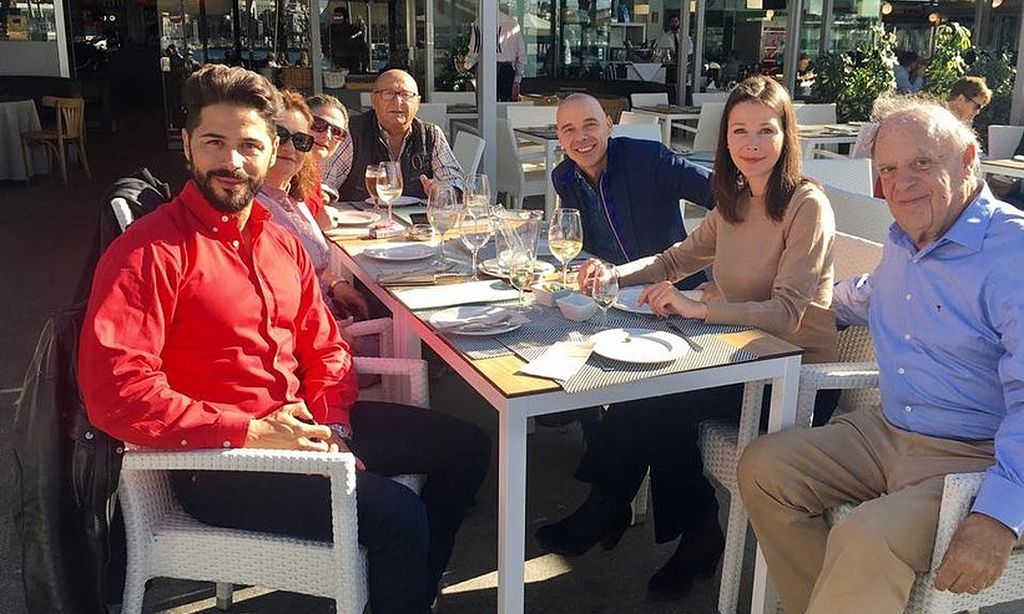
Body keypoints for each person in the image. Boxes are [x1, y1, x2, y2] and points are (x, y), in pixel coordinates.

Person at [77, 64, 490, 614]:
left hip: (305, 427)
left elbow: (324, 347)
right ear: (187, 145)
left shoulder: (280, 242)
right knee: (398, 517)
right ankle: (402, 579)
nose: (232, 162)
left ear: (273, 151)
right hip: (222, 462)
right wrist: (247, 428)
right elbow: (116, 393)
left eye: (249, 145)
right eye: (214, 143)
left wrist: (334, 426)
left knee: (468, 447)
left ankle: (406, 590)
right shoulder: (147, 252)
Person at [535, 77, 841, 600]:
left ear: (787, 136)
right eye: (739, 131)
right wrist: (614, 277)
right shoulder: (736, 199)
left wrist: (699, 307)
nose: (750, 143)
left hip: (795, 374)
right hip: (738, 352)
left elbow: (789, 313)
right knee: (651, 391)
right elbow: (677, 259)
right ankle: (677, 526)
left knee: (659, 401)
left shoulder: (806, 206)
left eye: (765, 131)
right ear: (725, 141)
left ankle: (620, 512)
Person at [737, 97, 1024, 614]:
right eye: (888, 169)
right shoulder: (907, 238)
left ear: (967, 158)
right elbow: (864, 294)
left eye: (922, 163)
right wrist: (749, 311)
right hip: (889, 431)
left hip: (975, 458)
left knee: (866, 537)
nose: (902, 183)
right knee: (765, 467)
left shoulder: (1012, 255)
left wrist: (1000, 518)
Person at [550, 93, 712, 287]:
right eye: (569, 130)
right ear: (559, 137)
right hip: (608, 290)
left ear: (609, 125)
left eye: (590, 125)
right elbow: (578, 242)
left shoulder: (649, 159)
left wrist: (723, 278)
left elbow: (724, 194)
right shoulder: (564, 176)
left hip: (671, 291)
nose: (581, 137)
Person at [256, 89, 368, 320]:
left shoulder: (291, 194)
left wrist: (335, 283)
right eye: (281, 135)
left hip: (324, 317)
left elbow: (305, 269)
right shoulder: (252, 208)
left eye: (300, 140)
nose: (290, 147)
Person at [323, 69, 464, 201]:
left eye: (406, 95)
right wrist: (325, 198)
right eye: (388, 93)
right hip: (362, 221)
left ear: (418, 103)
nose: (398, 102)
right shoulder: (352, 133)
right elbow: (324, 183)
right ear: (373, 100)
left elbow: (455, 181)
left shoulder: (431, 135)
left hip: (415, 223)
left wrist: (443, 191)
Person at [460, 4, 526, 101]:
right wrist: (517, 79)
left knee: (486, 104)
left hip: (487, 67)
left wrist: (466, 65)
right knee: (505, 106)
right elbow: (521, 53)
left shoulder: (479, 22)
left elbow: (475, 50)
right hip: (507, 69)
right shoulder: (512, 23)